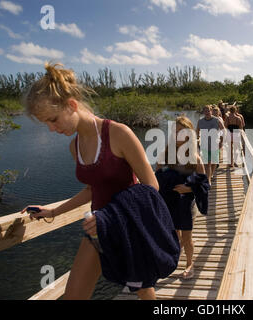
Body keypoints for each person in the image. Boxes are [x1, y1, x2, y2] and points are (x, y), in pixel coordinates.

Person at [20, 62, 164, 300]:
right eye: (45, 122)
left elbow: (152, 186)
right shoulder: (74, 147)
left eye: (53, 119)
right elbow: (91, 190)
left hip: (129, 227)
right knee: (74, 296)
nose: (51, 129)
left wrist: (111, 216)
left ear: (72, 105)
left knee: (143, 290)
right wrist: (54, 210)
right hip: (98, 230)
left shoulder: (119, 134)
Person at [155, 116, 209, 280]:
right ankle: (174, 256)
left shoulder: (194, 157)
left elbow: (204, 183)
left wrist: (188, 188)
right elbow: (156, 173)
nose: (178, 135)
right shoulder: (166, 153)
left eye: (182, 132)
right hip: (169, 200)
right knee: (174, 233)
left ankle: (189, 263)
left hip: (186, 202)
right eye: (175, 132)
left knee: (187, 236)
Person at [196, 105, 224, 183]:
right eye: (205, 111)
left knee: (214, 161)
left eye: (208, 111)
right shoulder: (200, 121)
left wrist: (221, 141)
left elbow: (223, 130)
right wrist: (197, 140)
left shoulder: (217, 120)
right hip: (204, 145)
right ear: (203, 112)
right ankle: (208, 181)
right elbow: (197, 131)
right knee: (207, 163)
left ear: (211, 111)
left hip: (215, 144)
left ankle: (210, 175)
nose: (207, 112)